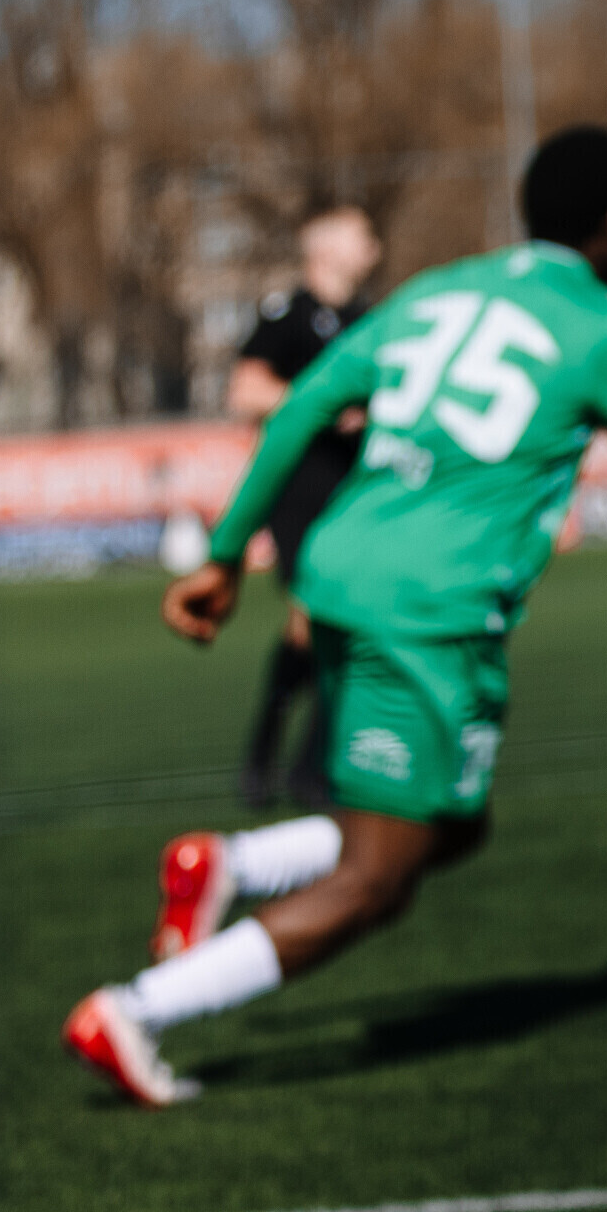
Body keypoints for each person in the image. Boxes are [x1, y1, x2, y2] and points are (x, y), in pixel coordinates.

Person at [62, 125, 607, 1108]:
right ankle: (135, 1011)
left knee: (452, 821)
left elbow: (300, 407)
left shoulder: (438, 289)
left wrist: (226, 556)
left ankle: (225, 866)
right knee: (378, 878)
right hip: (428, 614)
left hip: (339, 574)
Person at [227, 204, 385, 805]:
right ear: (323, 246)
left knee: (346, 625)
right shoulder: (287, 315)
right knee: (316, 621)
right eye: (359, 232)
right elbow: (246, 390)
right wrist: (320, 399)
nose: (370, 242)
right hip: (300, 494)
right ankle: (272, 752)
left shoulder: (368, 320)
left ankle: (307, 766)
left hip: (357, 493)